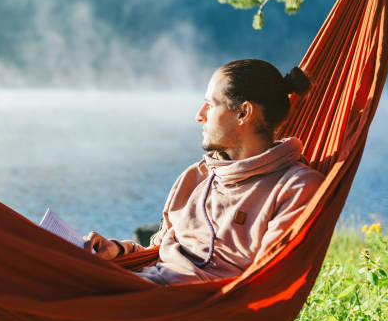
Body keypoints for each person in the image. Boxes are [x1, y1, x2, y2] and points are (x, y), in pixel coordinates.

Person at [83, 59, 325, 285]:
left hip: (192, 306)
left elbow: (266, 282)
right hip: (145, 288)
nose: (199, 116)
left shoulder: (296, 188)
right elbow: (157, 252)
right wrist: (118, 250)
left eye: (210, 105)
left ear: (243, 113)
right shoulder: (197, 176)